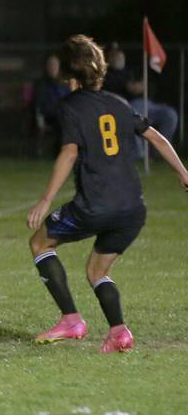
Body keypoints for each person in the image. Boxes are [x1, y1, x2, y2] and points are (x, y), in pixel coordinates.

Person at [27, 35, 188, 353]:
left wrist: (45, 200)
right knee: (97, 271)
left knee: (39, 242)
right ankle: (119, 333)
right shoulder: (119, 103)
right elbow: (155, 137)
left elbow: (70, 153)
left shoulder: (70, 106)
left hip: (94, 206)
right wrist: (184, 173)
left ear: (70, 78)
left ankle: (72, 320)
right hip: (132, 211)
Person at [103, 43, 178, 158]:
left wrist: (143, 86)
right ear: (108, 57)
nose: (118, 55)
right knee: (136, 113)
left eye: (119, 52)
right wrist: (130, 87)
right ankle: (140, 155)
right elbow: (117, 91)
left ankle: (160, 153)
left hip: (148, 104)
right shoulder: (106, 74)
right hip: (127, 106)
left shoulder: (132, 70)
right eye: (114, 53)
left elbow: (149, 86)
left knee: (170, 114)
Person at [32, 54, 70, 157]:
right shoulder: (41, 84)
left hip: (63, 114)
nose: (53, 67)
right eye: (50, 65)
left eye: (55, 65)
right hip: (48, 115)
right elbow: (38, 103)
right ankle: (58, 152)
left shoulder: (64, 83)